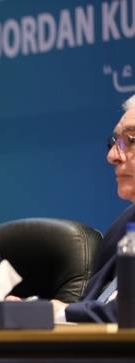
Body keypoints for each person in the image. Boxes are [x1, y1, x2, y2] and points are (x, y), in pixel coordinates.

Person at [50, 94, 135, 323]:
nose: (112, 156)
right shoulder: (125, 226)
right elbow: (95, 305)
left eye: (131, 140)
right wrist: (30, 312)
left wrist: (56, 313)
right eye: (114, 142)